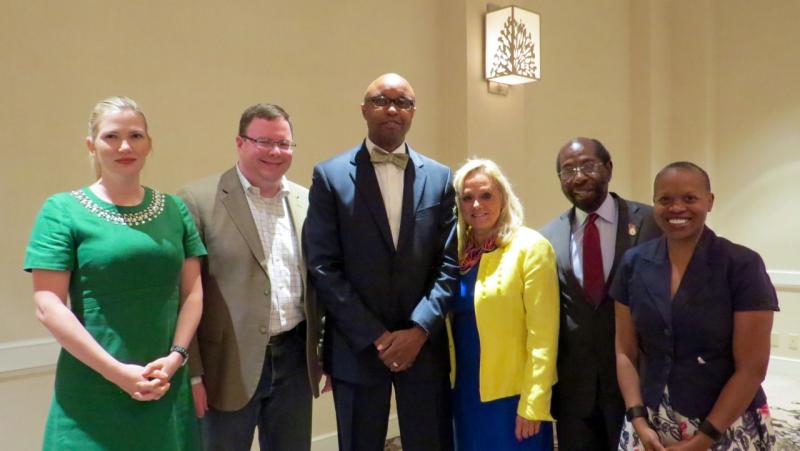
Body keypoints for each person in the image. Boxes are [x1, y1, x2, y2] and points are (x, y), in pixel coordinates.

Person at [24, 96, 205, 450]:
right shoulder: (61, 210)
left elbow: (194, 293)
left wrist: (175, 358)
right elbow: (47, 305)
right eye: (111, 136)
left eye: (136, 135)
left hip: (164, 382)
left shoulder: (174, 209)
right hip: (92, 388)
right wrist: (117, 373)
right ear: (91, 146)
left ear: (149, 144)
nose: (125, 146)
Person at [303, 73, 458, 451]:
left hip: (423, 347)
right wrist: (376, 336)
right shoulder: (330, 175)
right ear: (363, 110)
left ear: (413, 112)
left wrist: (418, 330)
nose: (392, 109)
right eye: (381, 100)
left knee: (430, 442)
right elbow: (323, 265)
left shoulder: (439, 177)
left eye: (402, 102)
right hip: (357, 346)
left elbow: (449, 263)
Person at [179, 103, 323, 451]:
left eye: (284, 143)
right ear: (240, 143)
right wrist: (192, 372)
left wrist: (322, 355)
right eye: (264, 141)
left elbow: (320, 283)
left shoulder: (308, 201)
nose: (275, 152)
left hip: (294, 362)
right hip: (225, 368)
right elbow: (183, 294)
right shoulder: (196, 200)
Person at [612, 162, 778, 450]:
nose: (677, 208)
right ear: (654, 204)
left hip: (723, 421)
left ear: (709, 201)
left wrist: (703, 439)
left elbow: (752, 368)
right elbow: (625, 351)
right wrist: (637, 418)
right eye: (665, 199)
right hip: (650, 419)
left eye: (689, 198)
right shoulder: (633, 263)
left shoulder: (741, 265)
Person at [540, 137, 661, 450]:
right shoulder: (547, 237)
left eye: (588, 166)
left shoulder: (650, 222)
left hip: (639, 381)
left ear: (608, 168)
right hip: (574, 388)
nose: (579, 176)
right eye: (568, 171)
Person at [450, 159, 559, 451]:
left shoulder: (531, 248)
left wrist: (534, 403)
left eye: (486, 195)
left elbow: (543, 336)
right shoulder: (456, 254)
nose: (476, 204)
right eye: (467, 197)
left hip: (512, 396)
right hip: (464, 390)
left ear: (503, 198)